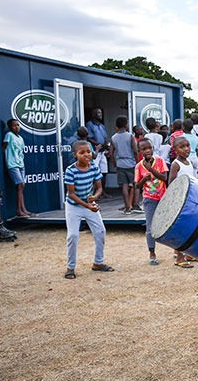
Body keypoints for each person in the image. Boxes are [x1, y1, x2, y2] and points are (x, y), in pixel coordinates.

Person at [62, 140, 113, 279]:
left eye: (89, 152)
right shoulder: (70, 170)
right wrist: (88, 205)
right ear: (75, 155)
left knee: (100, 231)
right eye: (82, 152)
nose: (86, 155)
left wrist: (94, 197)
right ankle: (70, 268)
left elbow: (100, 188)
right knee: (73, 236)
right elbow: (71, 194)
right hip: (74, 206)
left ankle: (98, 263)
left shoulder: (94, 168)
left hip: (89, 205)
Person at [169, 137, 198, 268]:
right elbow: (171, 184)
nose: (186, 149)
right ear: (175, 150)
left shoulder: (188, 162)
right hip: (180, 202)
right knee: (181, 229)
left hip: (189, 200)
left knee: (190, 227)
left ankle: (188, 253)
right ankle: (179, 257)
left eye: (187, 146)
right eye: (182, 147)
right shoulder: (176, 164)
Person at [135, 138, 168, 265]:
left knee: (171, 223)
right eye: (144, 149)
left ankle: (178, 251)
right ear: (139, 151)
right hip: (149, 198)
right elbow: (137, 185)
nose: (147, 151)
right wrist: (144, 179)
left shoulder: (160, 161)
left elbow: (165, 178)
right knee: (150, 227)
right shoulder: (138, 166)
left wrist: (152, 170)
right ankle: (152, 252)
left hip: (163, 197)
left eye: (149, 148)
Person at [109, 116, 139, 214]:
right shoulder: (130, 136)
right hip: (131, 163)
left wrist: (115, 164)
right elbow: (135, 150)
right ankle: (135, 204)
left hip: (120, 163)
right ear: (126, 124)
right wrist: (138, 162)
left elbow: (111, 153)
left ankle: (127, 207)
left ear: (116, 125)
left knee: (124, 186)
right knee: (135, 185)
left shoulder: (113, 137)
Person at [3, 118, 32, 217]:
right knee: (20, 185)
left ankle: (24, 209)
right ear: (10, 127)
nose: (17, 127)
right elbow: (4, 148)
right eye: (14, 125)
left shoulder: (20, 138)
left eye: (18, 125)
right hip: (12, 164)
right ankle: (19, 211)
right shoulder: (8, 135)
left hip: (20, 164)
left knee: (21, 186)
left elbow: (21, 151)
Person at [85, 108, 109, 193]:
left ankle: (103, 192)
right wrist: (98, 145)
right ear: (93, 114)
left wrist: (106, 146)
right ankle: (94, 192)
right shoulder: (90, 125)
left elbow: (105, 138)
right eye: (98, 113)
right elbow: (89, 138)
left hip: (102, 152)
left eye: (101, 113)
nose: (100, 114)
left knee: (104, 172)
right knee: (94, 173)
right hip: (95, 152)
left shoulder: (102, 126)